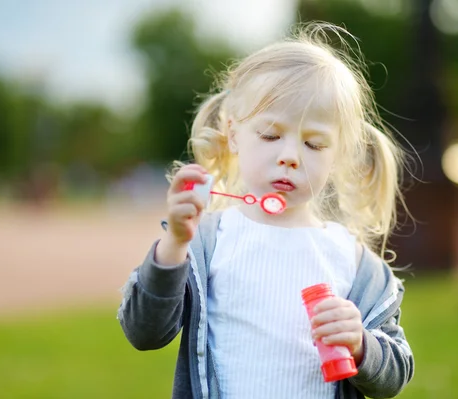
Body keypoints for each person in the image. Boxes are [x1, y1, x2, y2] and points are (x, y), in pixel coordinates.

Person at [118, 22, 414, 399]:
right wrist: (175, 243)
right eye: (271, 135)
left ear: (338, 153)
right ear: (234, 133)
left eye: (314, 144)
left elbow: (396, 373)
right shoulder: (207, 243)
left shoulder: (355, 265)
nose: (290, 156)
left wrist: (361, 345)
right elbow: (144, 332)